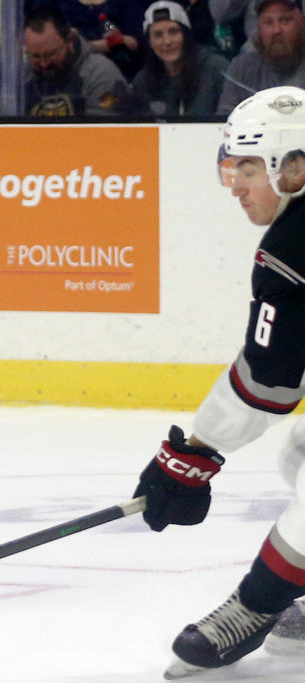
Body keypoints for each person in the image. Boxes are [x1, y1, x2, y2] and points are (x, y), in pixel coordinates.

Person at [132, 85, 305, 678]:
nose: (235, 184)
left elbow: (271, 384)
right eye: (232, 167)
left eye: (250, 168)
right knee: (301, 457)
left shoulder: (294, 246)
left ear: (297, 166)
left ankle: (254, 606)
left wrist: (194, 451)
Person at [23, 7, 133, 117]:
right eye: (36, 56)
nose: (44, 64)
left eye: (50, 54)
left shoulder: (101, 74)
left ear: (70, 41)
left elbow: (103, 130)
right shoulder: (23, 76)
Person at [132, 1, 230, 115]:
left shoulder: (216, 68)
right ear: (150, 42)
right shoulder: (142, 82)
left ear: (186, 35)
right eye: (158, 35)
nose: (167, 41)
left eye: (173, 32)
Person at [216, 0, 305, 114]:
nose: (276, 30)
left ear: (302, 21)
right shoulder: (241, 68)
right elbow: (224, 121)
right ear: (258, 26)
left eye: (285, 21)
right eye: (268, 22)